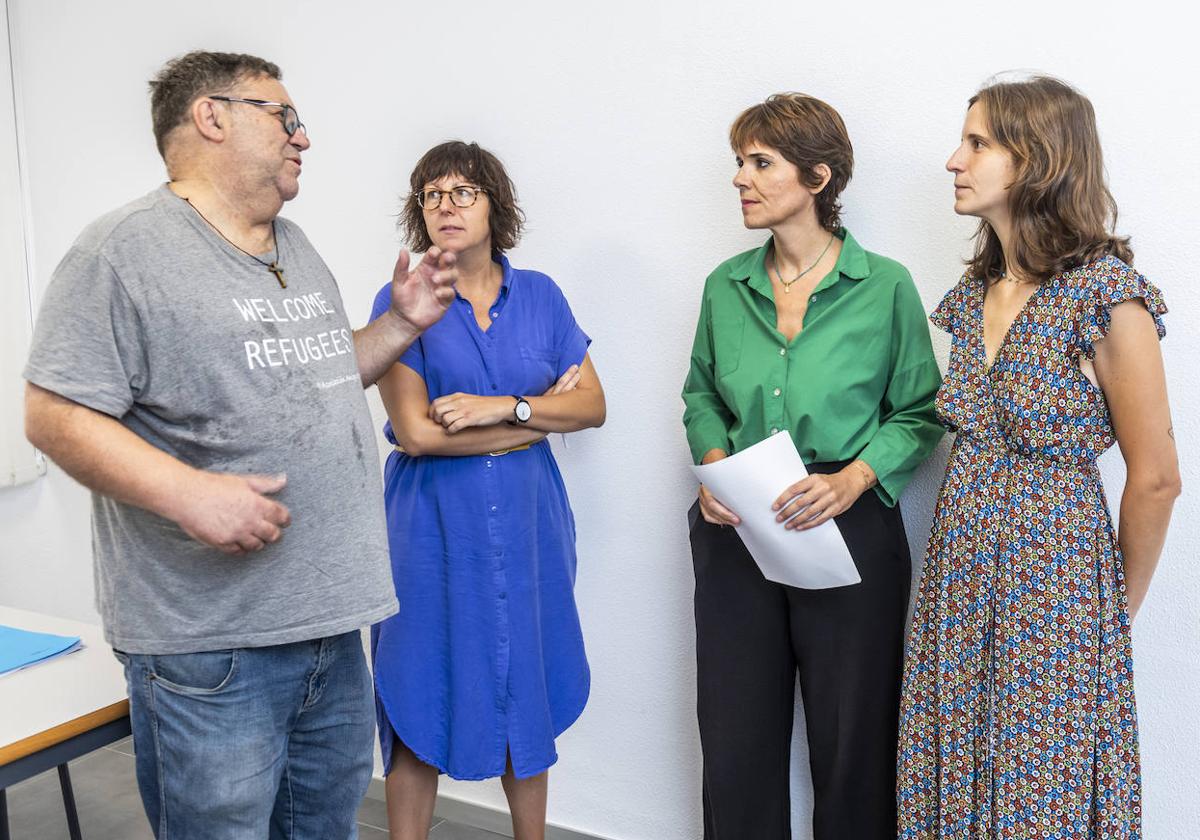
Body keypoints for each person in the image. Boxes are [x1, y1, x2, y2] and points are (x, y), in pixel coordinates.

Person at [22, 51, 456, 839]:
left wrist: (400, 325)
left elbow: (317, 374)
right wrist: (185, 493)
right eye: (282, 116)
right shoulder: (121, 253)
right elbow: (54, 416)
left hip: (329, 631)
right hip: (213, 652)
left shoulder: (293, 245)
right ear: (211, 117)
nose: (304, 137)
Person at [897, 76, 1180, 839]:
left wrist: (1111, 610)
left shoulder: (1108, 296)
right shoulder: (975, 291)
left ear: (1039, 159)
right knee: (951, 759)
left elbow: (1156, 478)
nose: (955, 159)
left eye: (978, 142)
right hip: (958, 575)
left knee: (1039, 788)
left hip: (1055, 584)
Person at [681, 93, 943, 840]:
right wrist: (713, 468)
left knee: (853, 739)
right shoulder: (723, 286)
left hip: (850, 524)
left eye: (760, 162)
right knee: (735, 737)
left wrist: (854, 479)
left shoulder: (885, 285)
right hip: (736, 529)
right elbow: (700, 394)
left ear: (817, 178)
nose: (741, 178)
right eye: (740, 162)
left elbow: (920, 411)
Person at [369, 141, 605, 840]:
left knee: (523, 683)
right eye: (431, 194)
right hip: (430, 532)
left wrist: (500, 405)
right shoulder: (401, 302)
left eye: (463, 192)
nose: (446, 205)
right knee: (417, 686)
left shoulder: (541, 296)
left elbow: (591, 407)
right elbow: (415, 433)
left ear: (495, 206)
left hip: (530, 528)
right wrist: (536, 421)